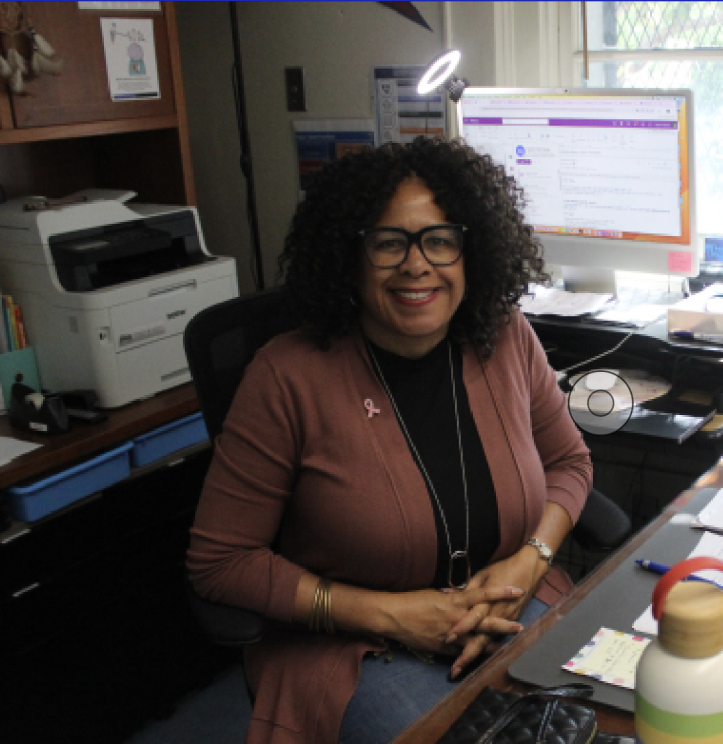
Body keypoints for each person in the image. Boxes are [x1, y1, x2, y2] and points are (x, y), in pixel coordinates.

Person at [187, 136, 592, 744]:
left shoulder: (505, 337)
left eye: (439, 239)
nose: (416, 264)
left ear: (468, 249)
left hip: (510, 611)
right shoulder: (286, 377)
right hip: (358, 651)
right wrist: (393, 615)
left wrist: (529, 562)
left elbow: (569, 461)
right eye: (388, 243)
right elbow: (220, 563)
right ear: (350, 257)